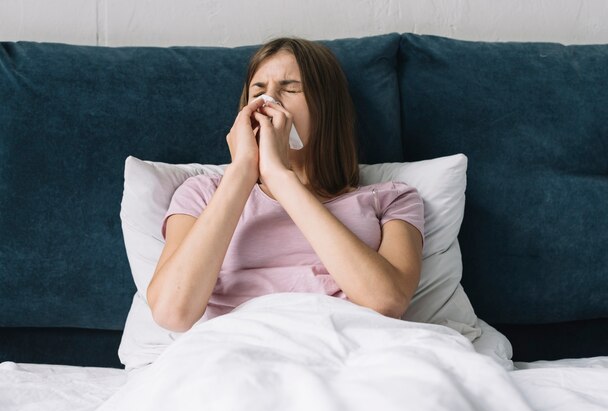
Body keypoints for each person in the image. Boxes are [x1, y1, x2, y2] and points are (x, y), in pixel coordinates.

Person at [146, 38, 425, 333]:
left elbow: (387, 302)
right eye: (258, 90)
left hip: (348, 341)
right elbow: (171, 312)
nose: (269, 101)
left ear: (327, 108)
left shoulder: (394, 198)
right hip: (237, 347)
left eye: (290, 88)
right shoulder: (202, 194)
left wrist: (280, 177)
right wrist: (242, 171)